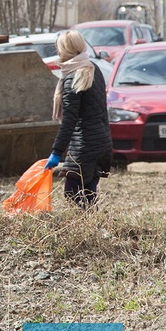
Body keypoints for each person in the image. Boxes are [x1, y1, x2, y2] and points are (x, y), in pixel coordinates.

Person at [43, 30, 112, 209]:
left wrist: (56, 152)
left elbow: (69, 121)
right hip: (102, 142)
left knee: (72, 194)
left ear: (63, 50)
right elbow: (102, 109)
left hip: (84, 146)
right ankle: (94, 229)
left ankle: (88, 231)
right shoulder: (93, 69)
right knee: (88, 193)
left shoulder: (72, 78)